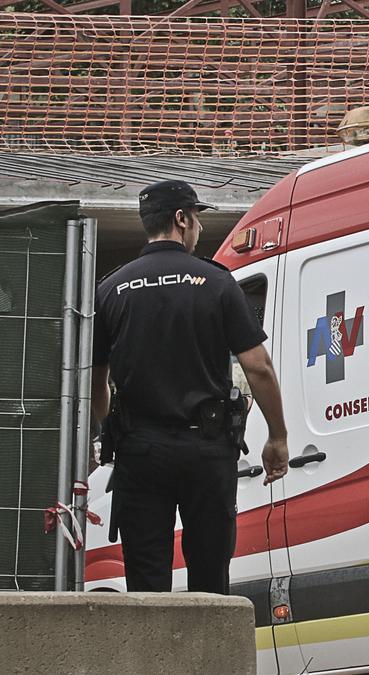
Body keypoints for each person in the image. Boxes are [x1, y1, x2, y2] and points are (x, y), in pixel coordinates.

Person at [91, 180, 290, 594]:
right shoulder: (217, 283)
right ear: (181, 220)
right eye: (196, 217)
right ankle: (209, 659)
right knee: (210, 576)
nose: (198, 227)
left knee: (146, 583)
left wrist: (113, 429)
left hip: (140, 453)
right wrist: (278, 436)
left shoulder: (111, 289)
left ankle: (153, 659)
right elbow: (259, 368)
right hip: (206, 451)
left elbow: (96, 380)